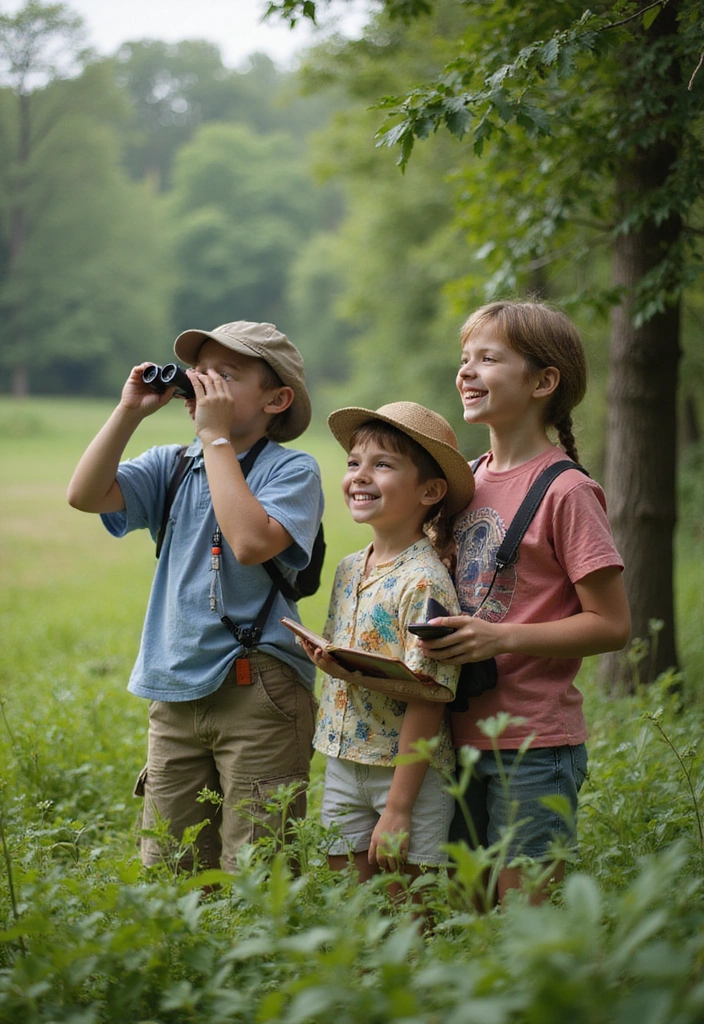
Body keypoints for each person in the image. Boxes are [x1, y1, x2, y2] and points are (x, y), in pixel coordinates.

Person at [67, 320, 324, 873]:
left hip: (259, 688)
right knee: (171, 866)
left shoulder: (291, 469)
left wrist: (216, 439)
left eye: (224, 376)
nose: (203, 386)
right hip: (174, 686)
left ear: (277, 400)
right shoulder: (173, 464)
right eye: (198, 373)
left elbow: (250, 543)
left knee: (258, 867)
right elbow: (84, 494)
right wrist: (129, 412)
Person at [421, 300, 631, 904]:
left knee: (525, 919)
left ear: (544, 382)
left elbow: (612, 624)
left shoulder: (568, 491)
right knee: (463, 913)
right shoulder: (462, 481)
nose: (466, 371)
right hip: (453, 738)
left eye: (488, 359)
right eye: (465, 358)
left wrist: (501, 637)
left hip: (534, 746)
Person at [300, 402, 475, 893]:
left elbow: (429, 694)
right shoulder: (349, 568)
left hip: (406, 776)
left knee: (407, 908)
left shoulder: (424, 582)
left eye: (382, 464)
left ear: (430, 491)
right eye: (354, 462)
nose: (360, 475)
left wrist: (398, 808)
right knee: (352, 905)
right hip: (344, 761)